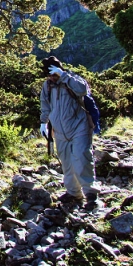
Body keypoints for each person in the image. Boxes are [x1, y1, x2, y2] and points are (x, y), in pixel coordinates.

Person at [39, 56, 98, 209]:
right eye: (48, 74)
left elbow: (83, 90)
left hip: (79, 126)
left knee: (82, 156)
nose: (51, 76)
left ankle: (90, 193)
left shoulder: (72, 79)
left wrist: (63, 76)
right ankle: (74, 193)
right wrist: (43, 122)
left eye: (53, 72)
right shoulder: (48, 86)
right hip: (59, 131)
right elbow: (45, 105)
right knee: (66, 162)